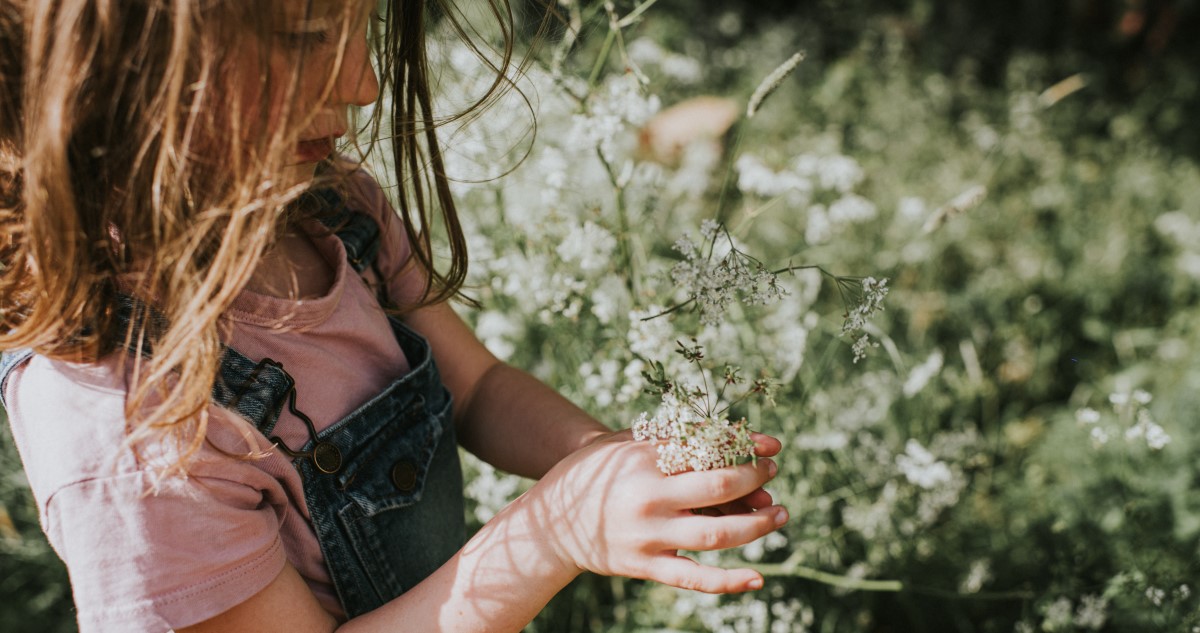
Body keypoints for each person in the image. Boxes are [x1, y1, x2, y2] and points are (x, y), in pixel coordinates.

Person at [0, 0, 789, 630]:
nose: (365, 82)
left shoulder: (336, 214)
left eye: (363, 28)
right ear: (121, 61)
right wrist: (555, 530)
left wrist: (607, 463)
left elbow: (477, 387)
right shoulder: (129, 427)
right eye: (308, 35)